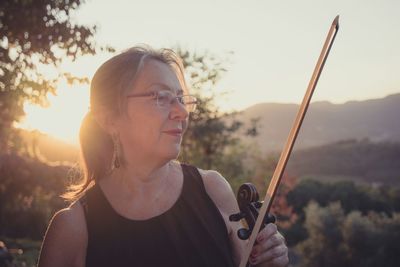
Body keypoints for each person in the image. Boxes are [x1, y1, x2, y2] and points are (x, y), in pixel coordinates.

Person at [38, 46, 289, 267]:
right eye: (160, 97)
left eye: (180, 99)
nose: (181, 111)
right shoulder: (73, 229)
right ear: (109, 118)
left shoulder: (213, 189)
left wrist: (270, 262)